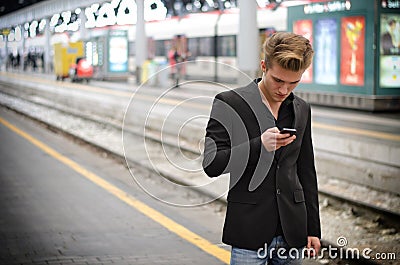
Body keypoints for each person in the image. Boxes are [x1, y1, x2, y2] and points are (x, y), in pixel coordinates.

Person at [202, 32, 321, 265]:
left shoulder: (302, 108)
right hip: (249, 230)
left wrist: (313, 228)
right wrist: (259, 145)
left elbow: (306, 171)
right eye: (278, 80)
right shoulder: (230, 103)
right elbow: (212, 164)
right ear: (264, 66)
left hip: (292, 232)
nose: (284, 90)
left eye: (293, 83)